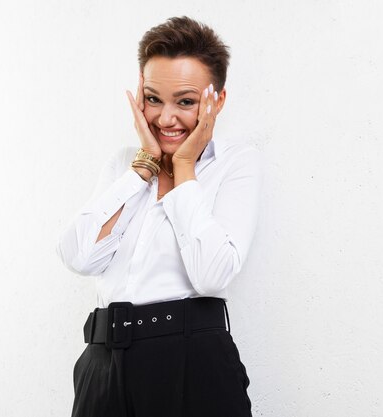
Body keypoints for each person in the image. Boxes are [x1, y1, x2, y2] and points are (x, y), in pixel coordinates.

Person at [56, 16, 261, 417]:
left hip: (191, 363)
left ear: (215, 100)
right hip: (101, 365)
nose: (166, 119)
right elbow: (78, 257)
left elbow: (212, 275)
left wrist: (184, 167)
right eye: (153, 99)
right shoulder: (123, 167)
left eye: (185, 101)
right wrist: (142, 168)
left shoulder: (235, 164)